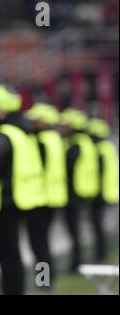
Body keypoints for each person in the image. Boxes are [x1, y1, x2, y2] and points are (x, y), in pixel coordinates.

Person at [0, 85, 47, 295]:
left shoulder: (6, 134)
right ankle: (44, 283)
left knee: (8, 251)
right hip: (35, 197)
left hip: (12, 199)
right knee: (39, 247)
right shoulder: (27, 133)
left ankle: (21, 289)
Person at [26, 103, 68, 285]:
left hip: (41, 198)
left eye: (36, 119)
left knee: (39, 244)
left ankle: (43, 281)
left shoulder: (41, 141)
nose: (33, 122)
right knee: (43, 242)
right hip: (53, 197)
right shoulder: (56, 139)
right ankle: (48, 277)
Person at [60, 108, 100, 272]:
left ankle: (77, 261)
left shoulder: (75, 144)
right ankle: (85, 258)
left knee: (74, 229)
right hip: (83, 190)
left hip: (74, 192)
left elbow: (67, 168)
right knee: (84, 227)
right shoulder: (84, 142)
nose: (64, 127)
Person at [87, 118, 119, 262]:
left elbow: (98, 173)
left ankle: (101, 253)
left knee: (98, 224)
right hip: (107, 191)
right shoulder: (108, 147)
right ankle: (102, 252)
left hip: (101, 192)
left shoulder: (100, 149)